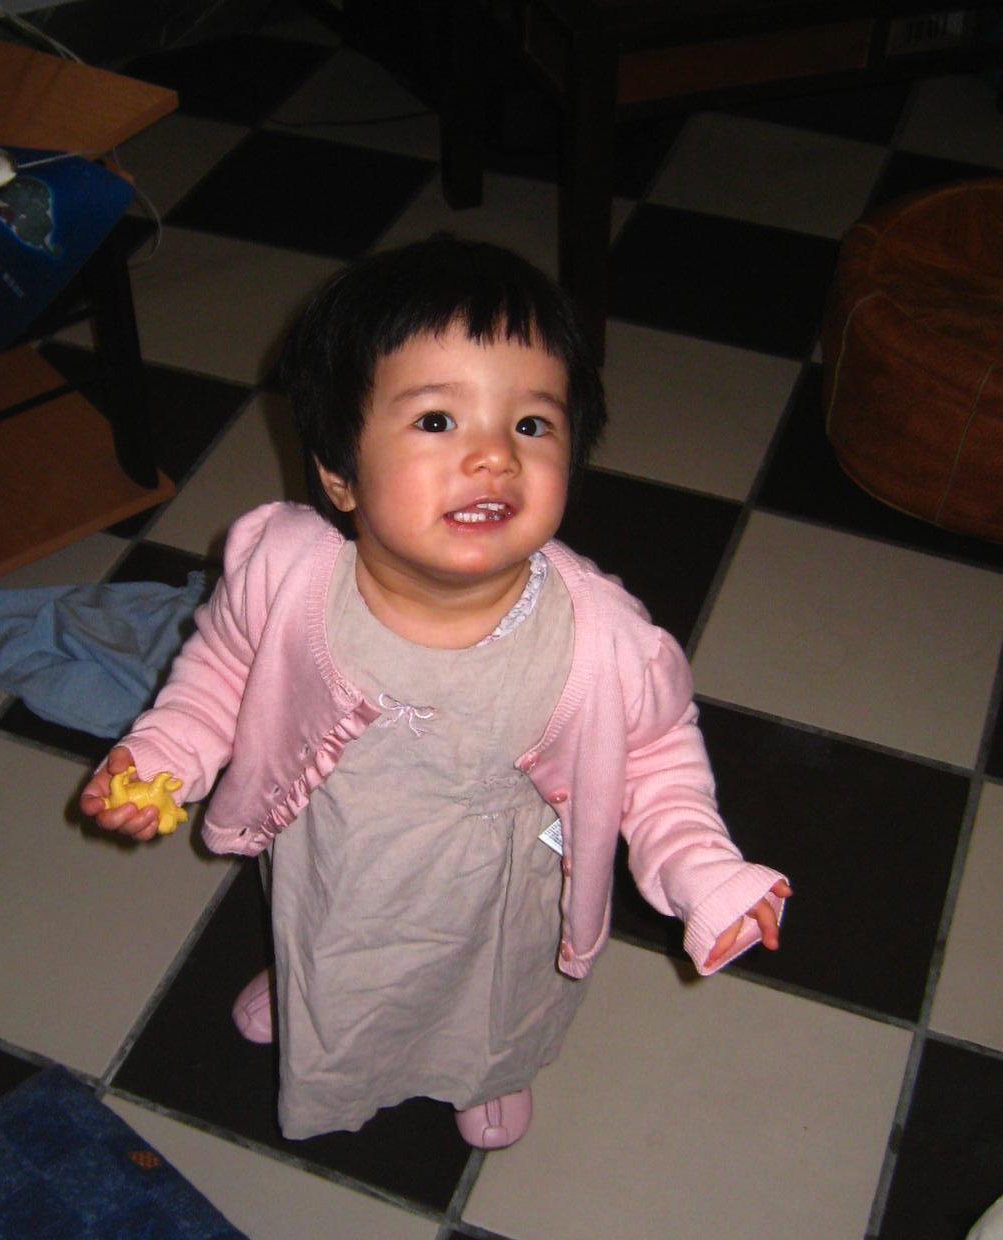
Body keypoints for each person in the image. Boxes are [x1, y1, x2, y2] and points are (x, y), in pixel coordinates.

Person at [81, 236, 788, 1149]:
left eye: (531, 426)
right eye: (438, 420)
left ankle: (485, 1072)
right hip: (338, 861)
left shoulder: (604, 641)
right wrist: (165, 755)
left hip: (496, 897)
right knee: (325, 947)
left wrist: (703, 869)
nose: (493, 456)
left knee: (496, 996)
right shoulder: (287, 577)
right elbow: (223, 669)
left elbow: (655, 757)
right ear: (339, 475)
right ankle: (308, 1004)